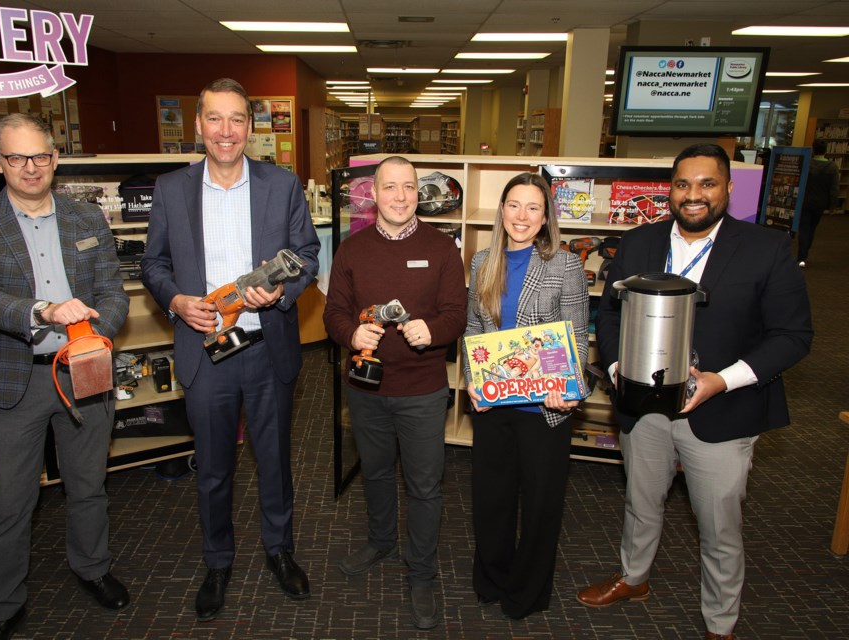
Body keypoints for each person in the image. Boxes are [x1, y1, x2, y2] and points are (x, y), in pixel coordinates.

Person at [577, 143, 813, 640]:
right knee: (642, 501)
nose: (694, 195)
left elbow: (793, 336)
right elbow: (613, 312)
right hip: (643, 404)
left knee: (719, 526)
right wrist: (619, 365)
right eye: (683, 184)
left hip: (722, 407)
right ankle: (633, 578)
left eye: (707, 184)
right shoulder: (639, 242)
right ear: (671, 190)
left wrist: (721, 381)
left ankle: (720, 623)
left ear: (728, 188)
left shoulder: (766, 249)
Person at [141, 78, 320, 622]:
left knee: (274, 462)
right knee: (214, 467)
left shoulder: (281, 184)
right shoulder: (171, 188)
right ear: (197, 125)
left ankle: (279, 550)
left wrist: (282, 292)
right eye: (215, 119)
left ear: (250, 127)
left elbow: (307, 255)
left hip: (267, 345)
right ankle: (217, 561)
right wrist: (176, 301)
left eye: (237, 119)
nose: (226, 131)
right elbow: (153, 264)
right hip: (205, 345)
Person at [0, 113, 131, 640]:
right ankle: (3, 604)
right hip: (16, 380)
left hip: (84, 371)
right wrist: (45, 311)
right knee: (9, 501)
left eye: (42, 156)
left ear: (55, 158)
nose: (31, 168)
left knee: (88, 485)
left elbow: (113, 292)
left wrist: (100, 331)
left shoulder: (85, 219)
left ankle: (93, 568)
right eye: (17, 157)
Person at [323, 156, 467, 630]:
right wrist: (351, 336)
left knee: (425, 485)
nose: (401, 197)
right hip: (366, 388)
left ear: (418, 194)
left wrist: (435, 331)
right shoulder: (352, 250)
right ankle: (381, 539)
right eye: (390, 187)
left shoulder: (443, 248)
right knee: (377, 472)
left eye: (408, 187)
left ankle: (421, 572)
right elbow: (334, 313)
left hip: (423, 390)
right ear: (373, 193)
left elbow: (456, 314)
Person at [462, 172, 589, 620]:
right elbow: (474, 331)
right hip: (494, 404)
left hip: (544, 410)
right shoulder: (482, 262)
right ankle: (492, 578)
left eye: (533, 207)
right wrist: (473, 379)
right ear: (501, 211)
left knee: (540, 505)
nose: (522, 216)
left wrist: (566, 388)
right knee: (491, 499)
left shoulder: (565, 264)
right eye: (514, 205)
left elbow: (574, 337)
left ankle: (528, 591)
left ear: (545, 216)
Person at [797, 138, 840, 267]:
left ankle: (801, 255)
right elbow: (834, 188)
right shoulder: (832, 167)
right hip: (820, 203)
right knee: (812, 228)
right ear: (826, 150)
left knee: (804, 227)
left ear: (813, 149)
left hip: (806, 200)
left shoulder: (807, 165)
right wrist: (833, 205)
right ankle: (805, 254)